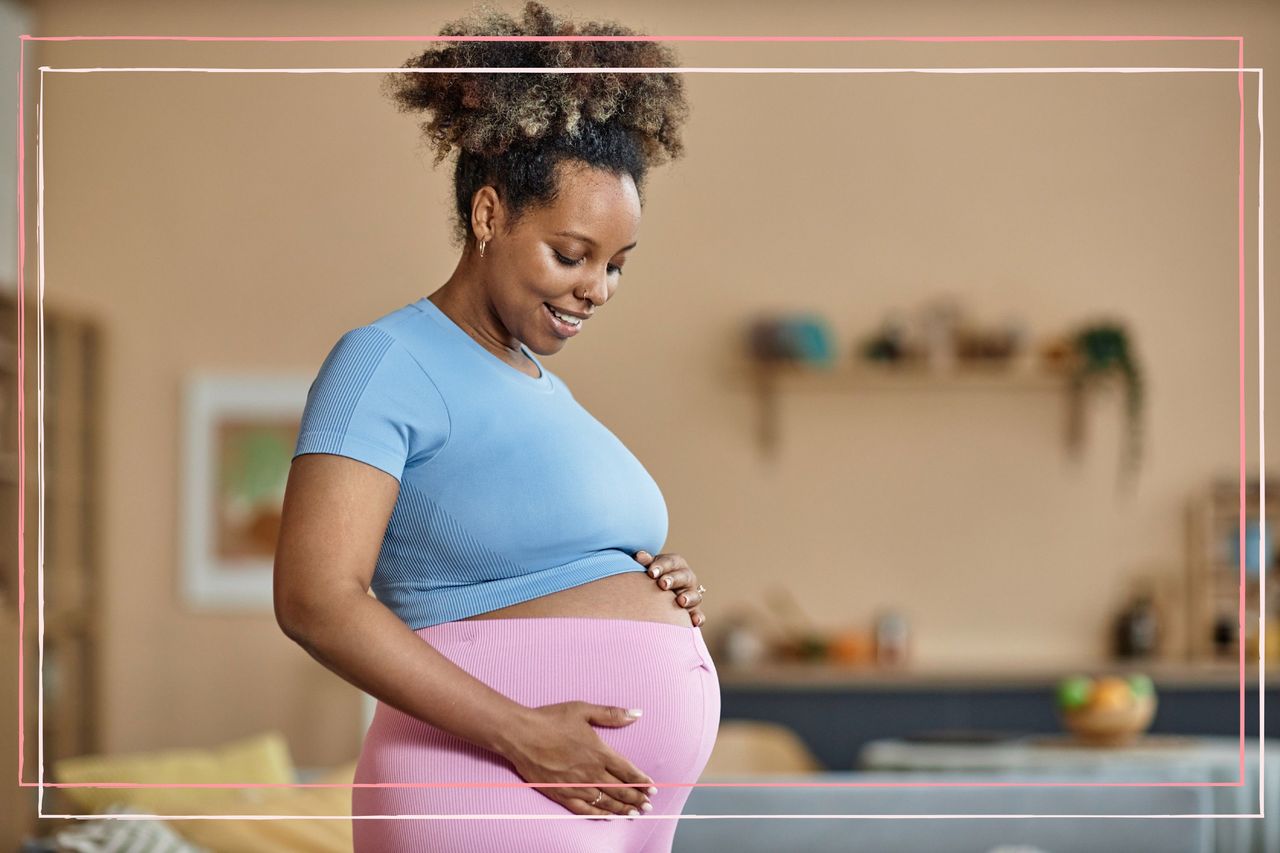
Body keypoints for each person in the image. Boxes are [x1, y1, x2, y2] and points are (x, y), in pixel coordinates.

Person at [272, 3, 718, 850]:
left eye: (618, 265)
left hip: (596, 792)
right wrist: (523, 732)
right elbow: (314, 599)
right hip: (490, 774)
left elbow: (540, 564)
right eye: (572, 253)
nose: (598, 288)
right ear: (488, 216)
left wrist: (653, 579)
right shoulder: (385, 361)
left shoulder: (542, 386)